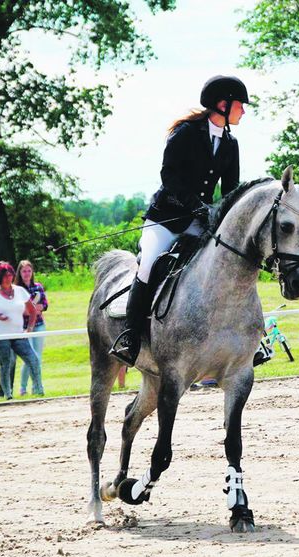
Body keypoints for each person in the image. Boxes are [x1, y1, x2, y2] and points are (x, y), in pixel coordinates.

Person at [111, 75, 251, 366]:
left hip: (200, 221)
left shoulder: (230, 143)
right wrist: (196, 205)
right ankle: (130, 336)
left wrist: (224, 215)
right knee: (149, 262)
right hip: (166, 218)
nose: (244, 111)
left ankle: (247, 337)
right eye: (240, 105)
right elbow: (169, 176)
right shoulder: (186, 133)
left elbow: (230, 190)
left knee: (226, 262)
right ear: (223, 105)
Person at [0, 261, 43, 399]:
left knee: (33, 359)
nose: (8, 278)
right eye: (5, 275)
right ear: (0, 277)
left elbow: (32, 311)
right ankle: (7, 394)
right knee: (6, 363)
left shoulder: (20, 291)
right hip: (0, 335)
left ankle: (39, 390)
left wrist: (29, 329)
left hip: (18, 333)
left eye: (10, 275)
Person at [15, 260, 48, 397]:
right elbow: (20, 309)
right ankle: (23, 388)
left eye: (29, 271)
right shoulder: (17, 289)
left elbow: (44, 304)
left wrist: (39, 308)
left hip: (39, 325)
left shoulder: (38, 287)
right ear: (20, 273)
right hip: (24, 327)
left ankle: (36, 386)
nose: (27, 274)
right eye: (24, 271)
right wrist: (31, 310)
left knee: (38, 357)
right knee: (30, 358)